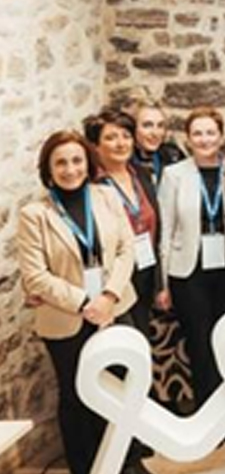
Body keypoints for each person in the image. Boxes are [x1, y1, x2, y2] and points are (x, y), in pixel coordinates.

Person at [17, 130, 146, 474]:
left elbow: (126, 250)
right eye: (60, 162)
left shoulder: (106, 196)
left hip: (115, 307)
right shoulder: (34, 215)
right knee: (76, 397)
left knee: (123, 388)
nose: (70, 169)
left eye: (76, 160)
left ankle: (128, 463)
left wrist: (108, 296)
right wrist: (85, 303)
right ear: (48, 170)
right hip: (67, 318)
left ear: (88, 163)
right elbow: (35, 276)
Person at [158, 107, 225, 414]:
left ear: (221, 135)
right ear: (188, 139)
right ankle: (208, 412)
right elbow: (166, 230)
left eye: (210, 133)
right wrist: (163, 284)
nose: (205, 139)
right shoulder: (174, 174)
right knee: (200, 342)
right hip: (187, 271)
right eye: (198, 134)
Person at [84, 109, 165, 335]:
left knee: (141, 334)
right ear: (95, 145)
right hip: (113, 279)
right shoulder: (91, 185)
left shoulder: (141, 174)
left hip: (145, 268)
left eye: (126, 136)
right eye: (111, 138)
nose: (121, 144)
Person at [124, 95, 184, 187]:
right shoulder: (123, 160)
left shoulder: (173, 156)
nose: (155, 133)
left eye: (160, 125)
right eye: (147, 125)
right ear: (133, 128)